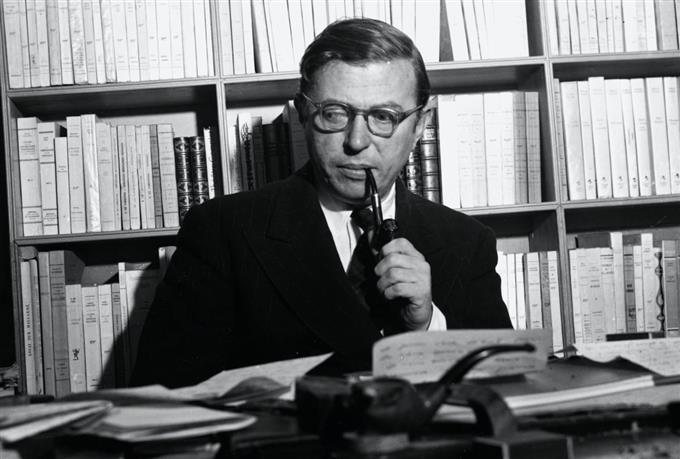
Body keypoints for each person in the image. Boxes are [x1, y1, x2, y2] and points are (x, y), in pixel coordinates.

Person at [131, 18, 511, 388]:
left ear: (420, 125)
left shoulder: (467, 241)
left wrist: (426, 326)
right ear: (302, 113)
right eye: (334, 113)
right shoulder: (222, 231)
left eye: (383, 116)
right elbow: (162, 400)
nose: (356, 141)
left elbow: (507, 392)